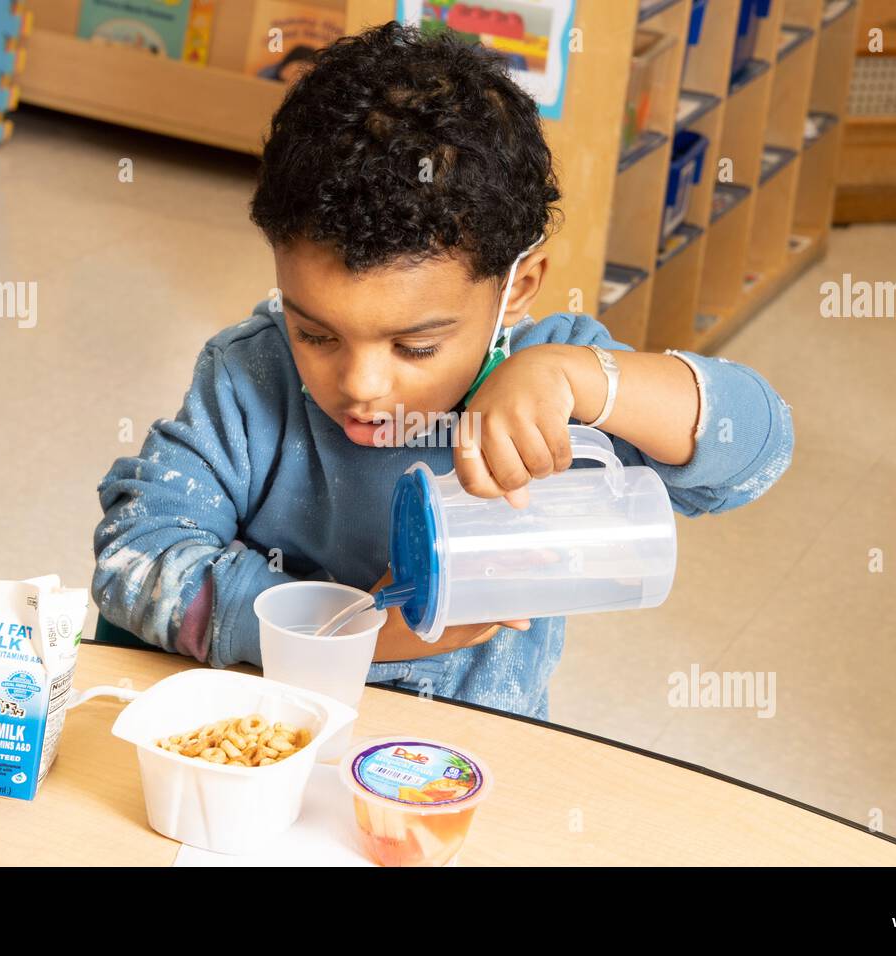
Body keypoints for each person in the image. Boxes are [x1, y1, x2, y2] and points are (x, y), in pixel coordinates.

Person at [92, 22, 794, 720]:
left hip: (460, 773)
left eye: (415, 347)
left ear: (517, 288)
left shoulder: (556, 390)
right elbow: (135, 554)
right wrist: (360, 632)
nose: (362, 385)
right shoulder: (249, 376)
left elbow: (759, 449)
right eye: (315, 332)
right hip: (266, 744)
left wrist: (584, 379)